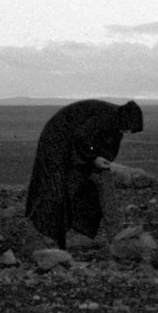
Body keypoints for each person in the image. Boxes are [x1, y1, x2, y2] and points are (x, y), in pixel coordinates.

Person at [24, 98, 143, 249]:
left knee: (87, 184)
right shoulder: (106, 117)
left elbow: (98, 147)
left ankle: (62, 238)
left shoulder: (115, 120)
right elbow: (82, 138)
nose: (126, 133)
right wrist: (93, 158)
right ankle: (43, 236)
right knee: (54, 187)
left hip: (70, 144)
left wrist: (96, 159)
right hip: (56, 140)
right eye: (128, 129)